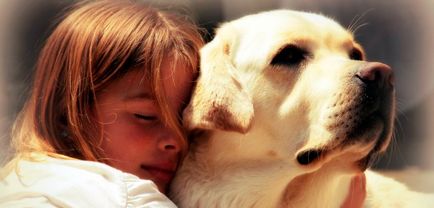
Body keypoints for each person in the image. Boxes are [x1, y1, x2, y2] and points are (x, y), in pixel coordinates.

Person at [0, 0, 366, 207]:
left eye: (183, 117)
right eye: (145, 116)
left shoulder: (24, 179)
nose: (176, 140)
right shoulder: (123, 198)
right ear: (70, 113)